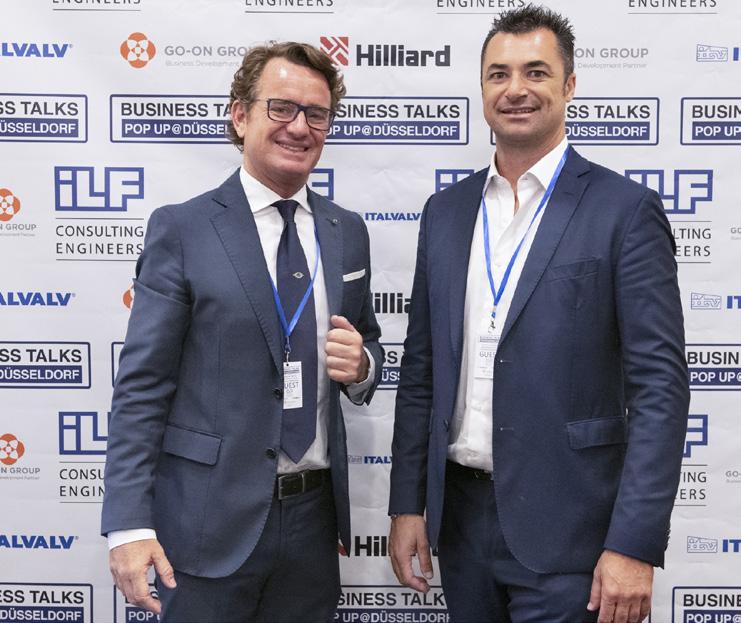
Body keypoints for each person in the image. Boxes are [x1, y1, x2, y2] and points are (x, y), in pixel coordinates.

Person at [387, 6, 689, 623]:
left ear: (569, 85)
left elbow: (659, 388)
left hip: (574, 534)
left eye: (536, 72)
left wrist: (633, 543)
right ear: (482, 89)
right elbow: (420, 373)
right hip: (460, 525)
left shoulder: (624, 211)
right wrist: (408, 504)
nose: (515, 89)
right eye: (498, 74)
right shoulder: (445, 213)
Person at [101, 41, 383, 622]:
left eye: (316, 114)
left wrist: (363, 367)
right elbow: (142, 386)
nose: (299, 127)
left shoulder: (347, 231)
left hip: (312, 527)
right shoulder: (183, 229)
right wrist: (127, 524)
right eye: (281, 108)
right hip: (206, 525)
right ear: (239, 115)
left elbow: (367, 341)